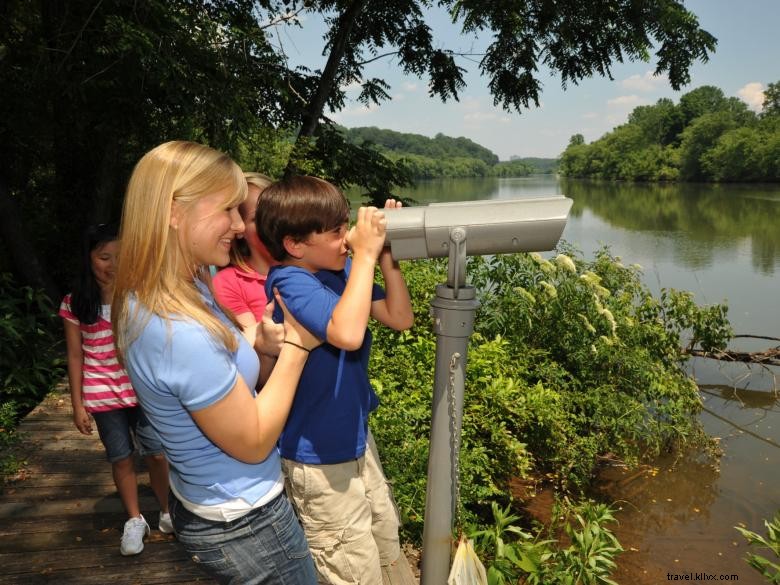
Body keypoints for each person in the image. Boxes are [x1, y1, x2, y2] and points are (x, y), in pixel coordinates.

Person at [112, 141, 320, 585]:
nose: (240, 227)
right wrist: (300, 346)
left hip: (213, 505)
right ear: (173, 211)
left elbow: (230, 394)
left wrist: (262, 351)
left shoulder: (181, 286)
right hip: (247, 525)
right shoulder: (175, 329)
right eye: (227, 210)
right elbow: (253, 441)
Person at [256, 175, 416, 585]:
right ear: (294, 245)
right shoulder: (289, 281)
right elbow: (347, 334)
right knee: (351, 567)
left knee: (385, 541)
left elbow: (400, 318)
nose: (346, 239)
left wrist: (384, 256)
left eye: (347, 227)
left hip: (355, 440)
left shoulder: (342, 268)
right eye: (336, 232)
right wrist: (363, 257)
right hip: (317, 457)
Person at [59, 222, 171, 557]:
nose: (113, 264)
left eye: (121, 256)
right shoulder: (75, 302)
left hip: (143, 390)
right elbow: (75, 354)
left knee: (157, 453)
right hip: (102, 394)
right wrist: (78, 405)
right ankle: (135, 519)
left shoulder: (141, 294)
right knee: (121, 458)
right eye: (104, 257)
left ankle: (167, 511)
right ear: (89, 258)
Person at [213, 172, 276, 346]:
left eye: (278, 213)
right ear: (240, 229)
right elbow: (254, 351)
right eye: (258, 218)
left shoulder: (310, 265)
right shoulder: (228, 283)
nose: (273, 224)